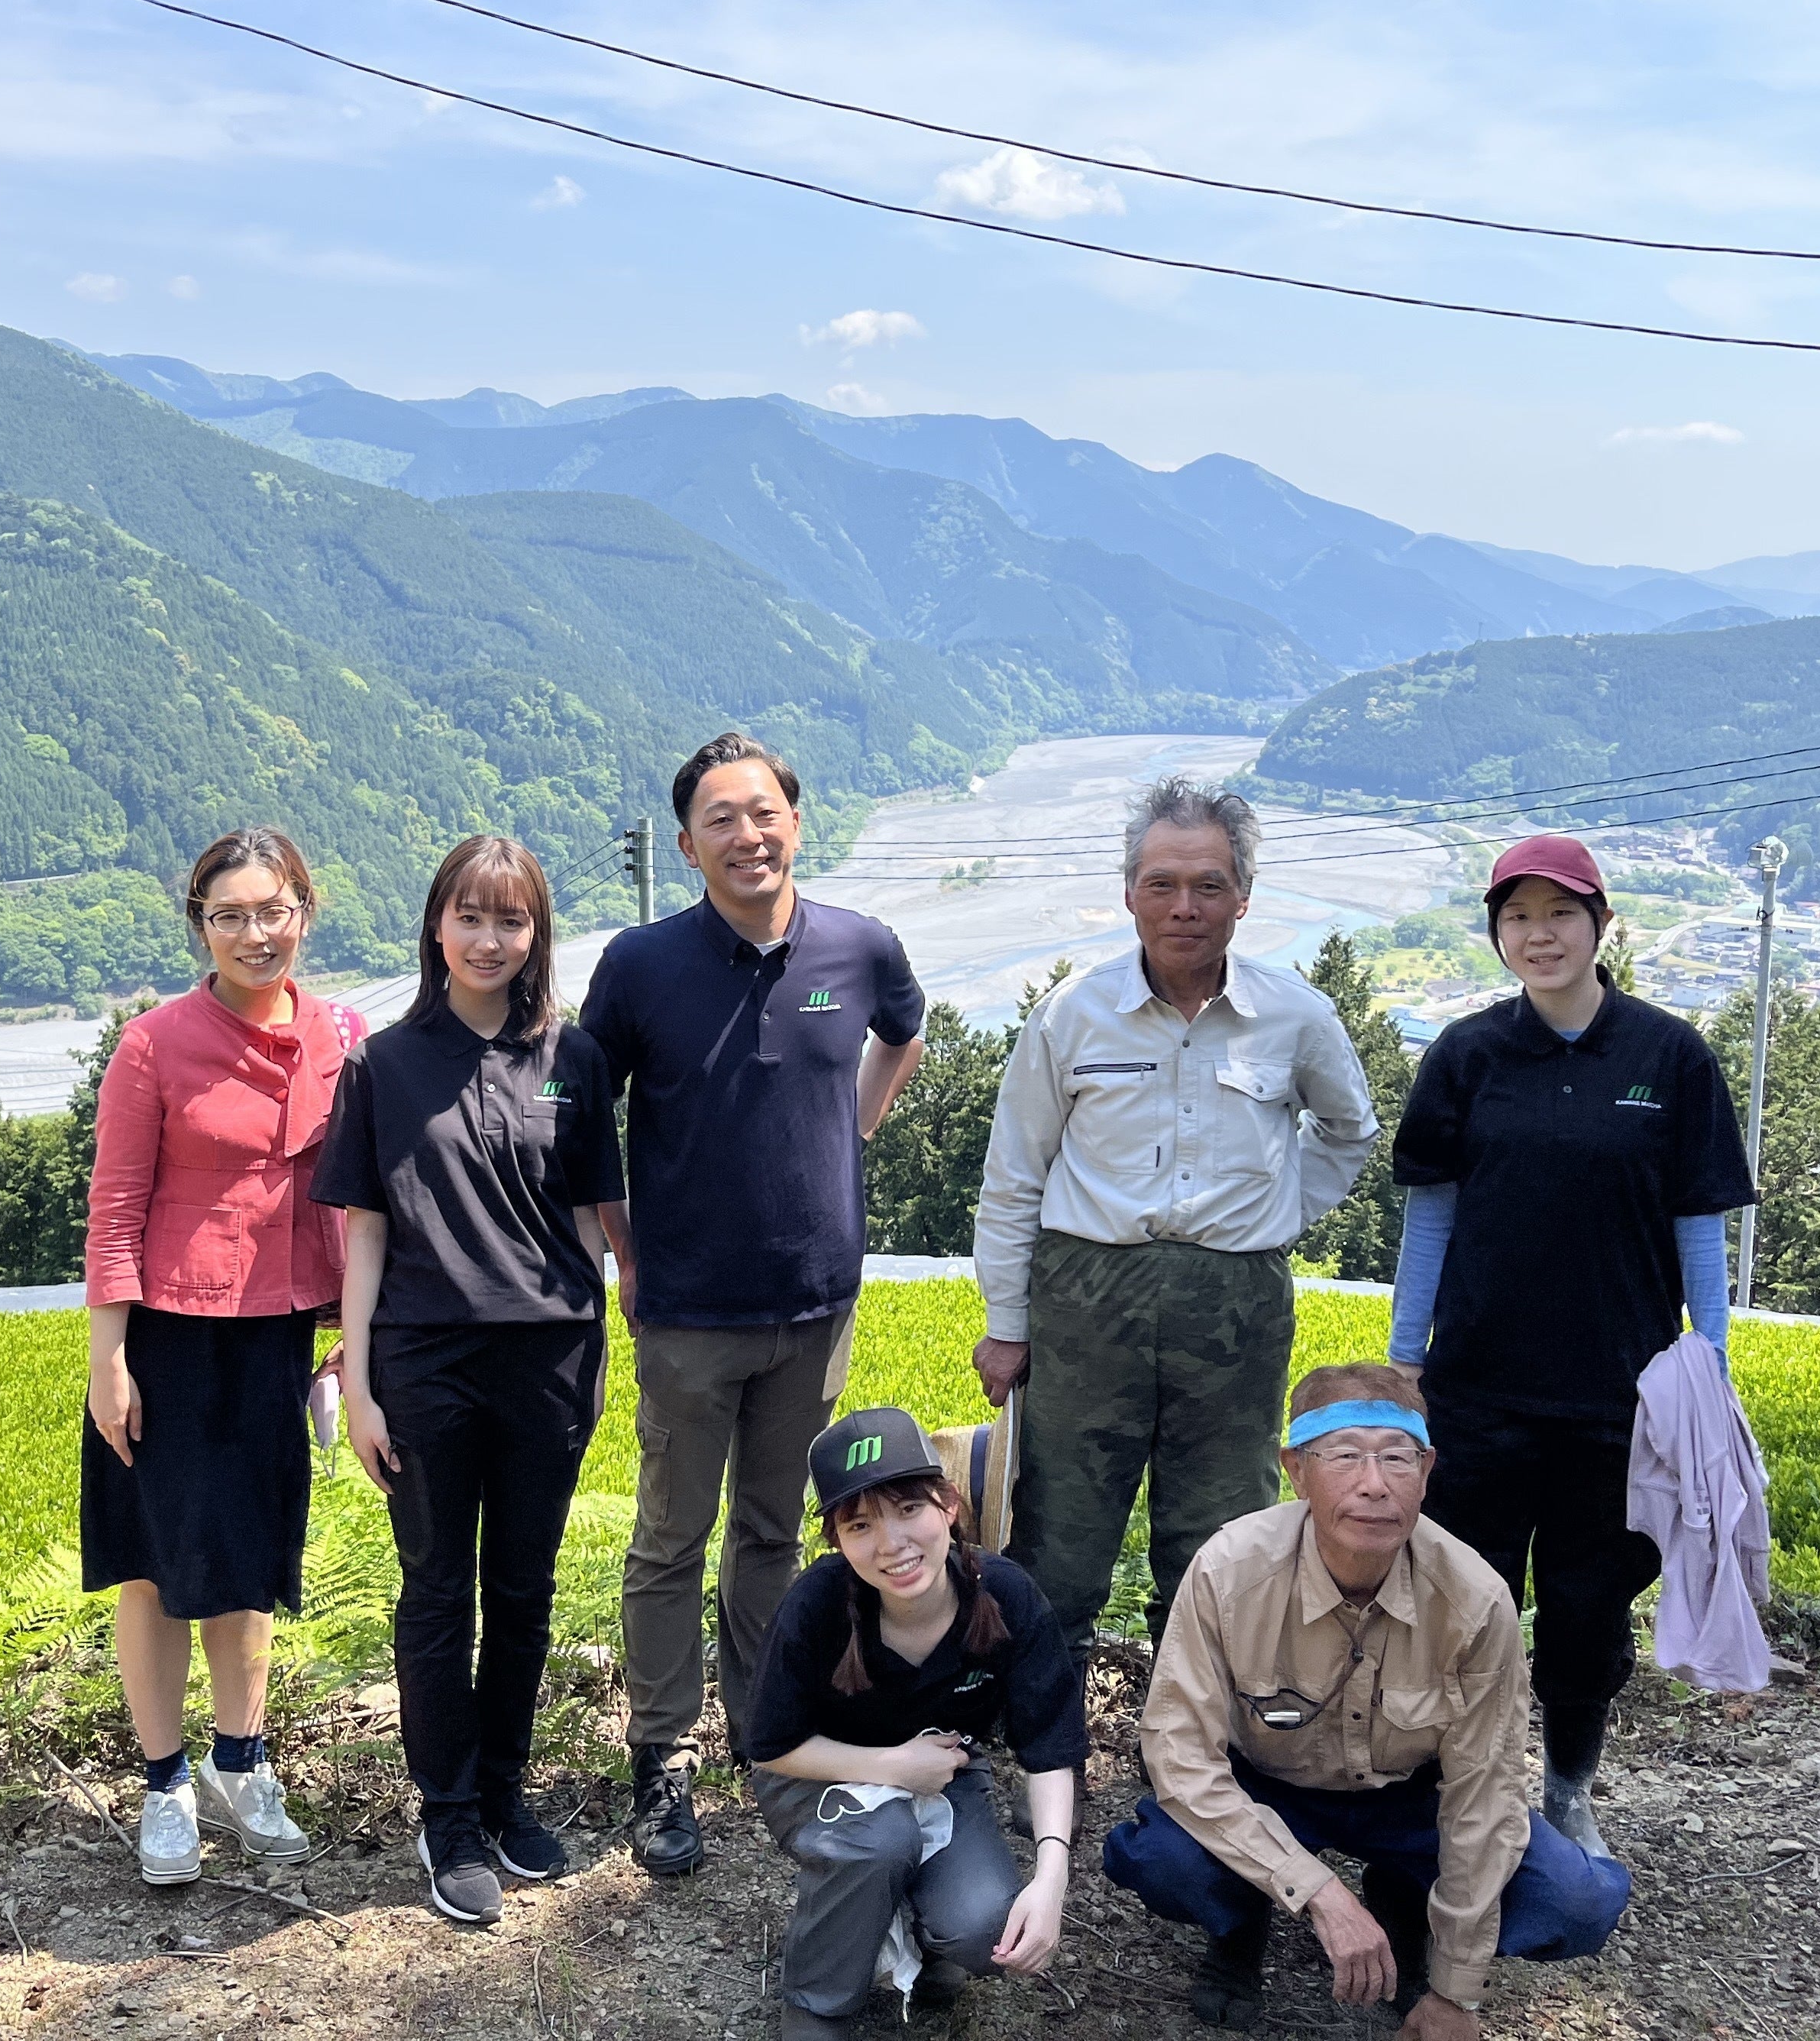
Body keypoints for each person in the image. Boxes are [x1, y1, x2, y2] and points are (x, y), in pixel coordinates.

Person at [581, 731, 929, 1875]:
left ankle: (767, 1735)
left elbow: (903, 1033)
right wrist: (621, 1243)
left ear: (796, 821)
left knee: (776, 1533)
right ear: (687, 847)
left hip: (816, 1303)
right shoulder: (641, 964)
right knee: (671, 1540)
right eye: (720, 819)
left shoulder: (859, 945)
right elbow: (579, 1108)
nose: (748, 834)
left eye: (764, 811)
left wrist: (851, 1135)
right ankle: (662, 1755)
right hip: (687, 1310)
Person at [1388, 833, 1754, 1855]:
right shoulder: (1467, 1055)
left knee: (1588, 1617)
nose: (1538, 935)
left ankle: (1569, 1789)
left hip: (1620, 1399)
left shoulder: (1669, 1056)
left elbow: (1698, 1222)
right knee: (1467, 1603)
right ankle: (1468, 1789)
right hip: (1478, 1390)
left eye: (1560, 914)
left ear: (1601, 924)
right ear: (1496, 933)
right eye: (1517, 917)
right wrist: (1406, 1359)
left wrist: (1710, 1362)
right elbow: (1430, 1217)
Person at [971, 775, 1379, 1671]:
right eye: (1161, 884)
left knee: (1222, 1529)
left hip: (1236, 1305)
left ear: (1243, 898)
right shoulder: (1071, 1014)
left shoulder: (1294, 1015)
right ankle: (1041, 1720)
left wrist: (1280, 1209)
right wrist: (1006, 1323)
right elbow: (1014, 1176)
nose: (1184, 907)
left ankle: (1202, 1722)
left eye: (1208, 885)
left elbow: (1350, 1130)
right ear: (1129, 894)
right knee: (1061, 1526)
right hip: (1087, 1297)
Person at [1101, 1363, 1630, 2037]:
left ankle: (1405, 1903)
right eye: (1345, 1456)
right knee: (1163, 1860)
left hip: (1410, 1797)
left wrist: (1456, 1993)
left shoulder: (1475, 1599)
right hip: (1265, 1788)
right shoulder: (1229, 1573)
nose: (1374, 1484)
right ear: (1296, 1470)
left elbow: (1485, 1794)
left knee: (1575, 1903)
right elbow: (1179, 1756)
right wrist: (1314, 1890)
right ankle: (1241, 1922)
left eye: (1397, 1458)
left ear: (1427, 1470)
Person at [315, 836, 625, 1928]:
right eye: (472, 917)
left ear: (537, 935)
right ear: (436, 927)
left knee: (526, 1590)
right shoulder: (383, 1065)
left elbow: (591, 1218)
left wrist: (607, 1336)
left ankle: (504, 1792)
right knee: (440, 1591)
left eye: (513, 921)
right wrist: (358, 1383)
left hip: (549, 1361)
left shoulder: (573, 1059)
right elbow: (363, 1234)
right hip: (425, 1364)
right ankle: (446, 1816)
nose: (491, 941)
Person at [81, 827, 360, 1887]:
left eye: (272, 911)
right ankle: (163, 1785)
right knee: (155, 1565)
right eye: (229, 915)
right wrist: (109, 1358)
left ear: (306, 911)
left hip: (278, 1329)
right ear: (200, 925)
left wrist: (350, 1335)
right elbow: (116, 1207)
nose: (254, 934)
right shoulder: (154, 1045)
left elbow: (358, 1200)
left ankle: (240, 1762)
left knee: (249, 1559)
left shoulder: (343, 1034)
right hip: (169, 1334)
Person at [748, 1408, 1085, 2041]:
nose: (892, 1543)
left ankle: (926, 1937)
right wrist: (891, 1768)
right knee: (880, 1839)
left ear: (948, 1504)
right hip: (814, 1774)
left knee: (988, 1930)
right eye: (860, 1524)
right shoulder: (817, 1604)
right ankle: (817, 1999)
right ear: (837, 1541)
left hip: (941, 1774)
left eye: (909, 1509)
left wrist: (1051, 1878)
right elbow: (769, 1746)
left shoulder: (1005, 1595)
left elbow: (1050, 1749)